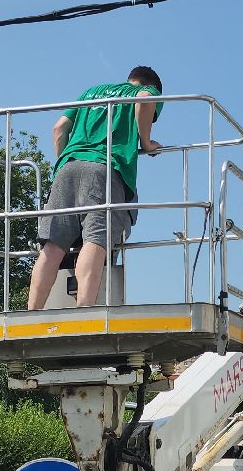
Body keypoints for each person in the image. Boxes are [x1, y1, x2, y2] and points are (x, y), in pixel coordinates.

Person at [26, 66, 165, 310]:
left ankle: (31, 313)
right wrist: (146, 143)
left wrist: (67, 163)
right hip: (105, 167)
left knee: (53, 246)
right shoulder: (147, 90)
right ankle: (85, 310)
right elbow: (144, 100)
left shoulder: (91, 92)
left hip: (67, 166)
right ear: (151, 85)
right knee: (95, 240)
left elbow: (59, 129)